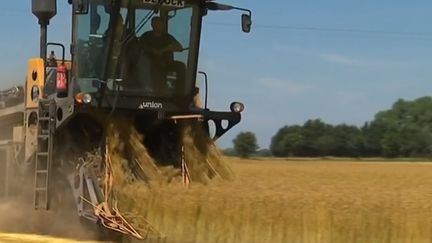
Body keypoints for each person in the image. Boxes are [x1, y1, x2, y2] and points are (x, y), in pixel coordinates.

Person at [139, 17, 186, 93]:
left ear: (162, 25)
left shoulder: (167, 37)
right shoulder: (146, 35)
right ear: (152, 25)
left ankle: (180, 93)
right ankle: (148, 89)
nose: (157, 25)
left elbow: (179, 47)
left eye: (159, 23)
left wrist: (165, 49)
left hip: (167, 64)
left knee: (181, 66)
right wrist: (152, 50)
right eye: (155, 23)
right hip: (149, 62)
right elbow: (139, 46)